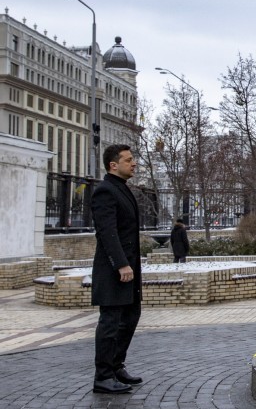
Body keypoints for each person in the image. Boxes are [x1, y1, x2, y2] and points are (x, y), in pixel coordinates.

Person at [91, 144, 144, 394]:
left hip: (130, 269)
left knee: (130, 318)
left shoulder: (121, 189)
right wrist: (121, 264)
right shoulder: (105, 191)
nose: (134, 163)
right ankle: (103, 376)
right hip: (114, 270)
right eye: (129, 160)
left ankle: (115, 366)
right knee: (111, 322)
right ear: (114, 164)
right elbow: (107, 233)